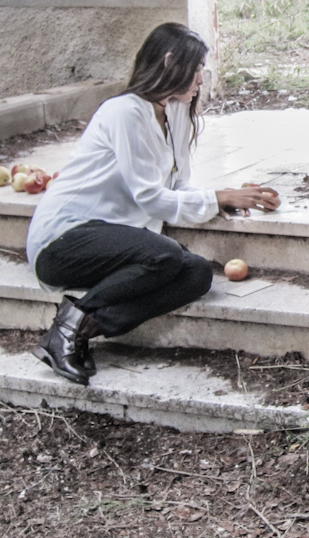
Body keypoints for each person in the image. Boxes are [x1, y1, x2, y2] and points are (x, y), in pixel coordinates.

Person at [26, 22, 281, 386]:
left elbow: (175, 186)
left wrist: (221, 200)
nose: (201, 79)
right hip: (63, 240)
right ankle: (64, 331)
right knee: (165, 254)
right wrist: (216, 198)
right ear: (169, 62)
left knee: (197, 273)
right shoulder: (124, 112)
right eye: (196, 68)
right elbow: (149, 197)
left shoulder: (174, 112)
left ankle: (80, 329)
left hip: (111, 242)